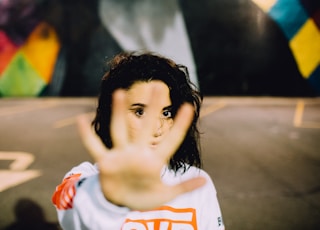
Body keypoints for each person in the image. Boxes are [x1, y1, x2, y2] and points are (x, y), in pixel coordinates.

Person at [52, 51, 225, 229]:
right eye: (140, 112)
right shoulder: (86, 178)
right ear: (112, 114)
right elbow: (70, 207)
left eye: (166, 113)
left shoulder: (195, 182)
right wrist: (108, 199)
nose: (157, 127)